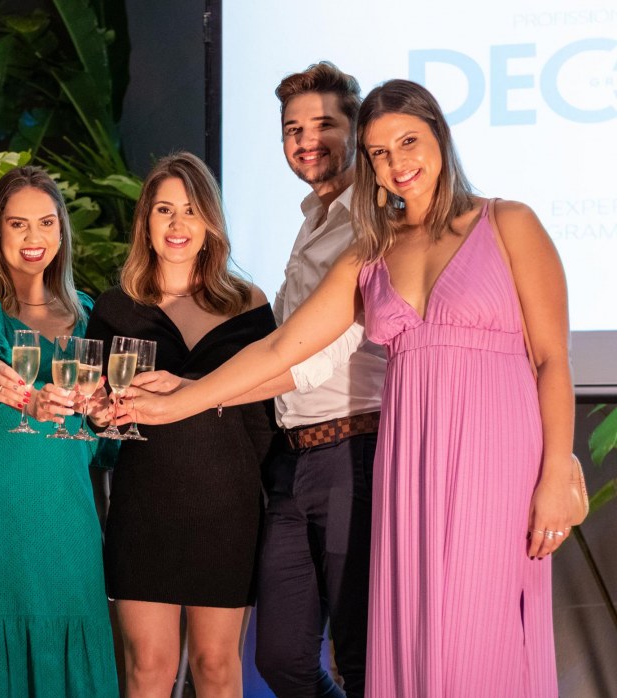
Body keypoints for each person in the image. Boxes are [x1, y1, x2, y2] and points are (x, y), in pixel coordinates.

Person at [124, 80, 576, 697]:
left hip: (494, 459)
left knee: (481, 633)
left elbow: (551, 360)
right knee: (415, 641)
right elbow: (284, 349)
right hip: (407, 464)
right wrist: (183, 399)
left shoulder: (508, 222)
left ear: (440, 136)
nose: (397, 163)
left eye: (408, 142)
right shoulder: (371, 253)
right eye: (380, 153)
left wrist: (555, 473)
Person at [85, 152, 275, 696]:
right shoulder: (116, 307)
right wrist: (97, 414)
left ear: (210, 221)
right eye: (164, 209)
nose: (177, 224)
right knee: (149, 667)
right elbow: (98, 411)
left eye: (191, 210)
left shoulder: (248, 304)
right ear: (145, 220)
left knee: (216, 666)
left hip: (228, 506)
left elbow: (267, 417)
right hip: (145, 503)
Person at [0, 165, 118, 696]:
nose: (33, 237)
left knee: (73, 627)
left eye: (45, 222)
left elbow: (103, 441)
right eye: (18, 224)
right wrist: (23, 395)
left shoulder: (89, 313)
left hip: (69, 506)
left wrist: (103, 415)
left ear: (62, 230)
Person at [255, 62, 385, 697]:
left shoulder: (375, 220)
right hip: (292, 460)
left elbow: (312, 355)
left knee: (359, 659)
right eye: (293, 129)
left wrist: (194, 397)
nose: (307, 140)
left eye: (325, 124)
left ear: (357, 130)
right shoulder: (313, 217)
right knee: (281, 659)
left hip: (354, 452)